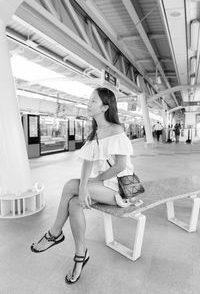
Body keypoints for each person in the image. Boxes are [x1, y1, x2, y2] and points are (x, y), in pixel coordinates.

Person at [30, 87, 134, 284]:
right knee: (74, 203)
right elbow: (87, 161)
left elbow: (121, 165)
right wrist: (84, 186)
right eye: (89, 100)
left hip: (119, 188)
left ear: (105, 107)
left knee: (70, 185)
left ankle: (54, 234)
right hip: (103, 185)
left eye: (93, 101)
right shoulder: (95, 132)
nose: (88, 103)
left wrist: (94, 181)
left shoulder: (116, 130)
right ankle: (80, 256)